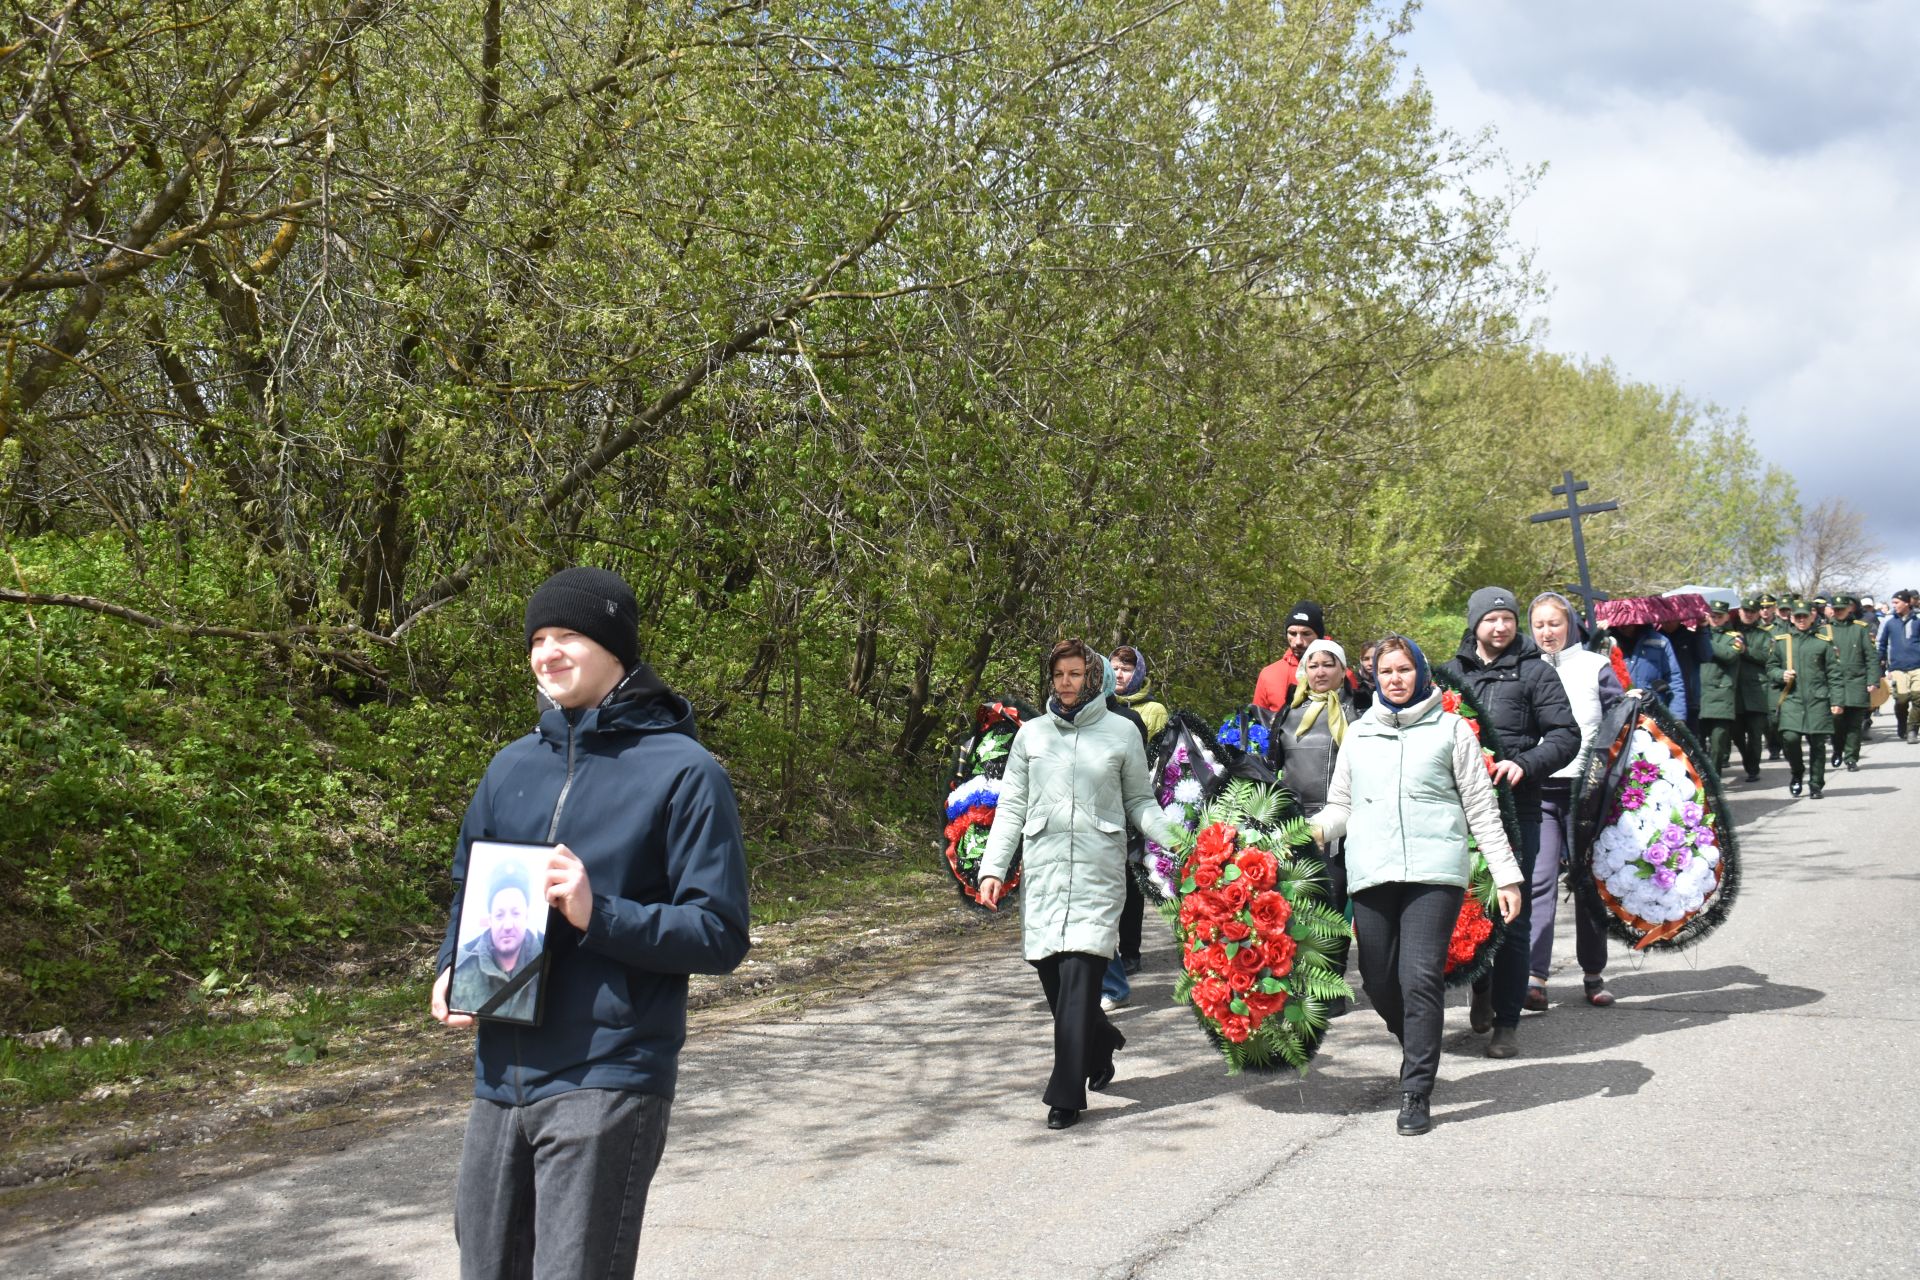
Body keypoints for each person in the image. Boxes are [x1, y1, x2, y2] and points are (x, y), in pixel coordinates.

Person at [432, 566, 752, 1278]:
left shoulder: (685, 772)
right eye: (537, 638)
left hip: (608, 1069)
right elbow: (467, 889)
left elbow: (721, 933)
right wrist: (452, 965)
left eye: (567, 634)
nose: (548, 651)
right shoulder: (511, 767)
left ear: (616, 647)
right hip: (500, 1073)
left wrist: (595, 913)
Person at [1311, 635, 1523, 1136]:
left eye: (1404, 669)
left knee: (1419, 976)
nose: (1395, 679)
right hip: (1373, 872)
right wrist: (1306, 832)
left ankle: (1415, 1090)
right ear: (1374, 678)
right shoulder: (1360, 734)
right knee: (1378, 980)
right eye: (1386, 672)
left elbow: (1481, 809)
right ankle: (1418, 1044)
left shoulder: (1452, 731)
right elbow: (1341, 805)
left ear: (1420, 671)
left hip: (1435, 874)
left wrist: (1507, 875)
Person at [977, 640, 1179, 1131]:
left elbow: (1141, 803)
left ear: (1093, 679)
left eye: (1075, 674)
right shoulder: (1032, 737)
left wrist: (1183, 841)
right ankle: (1101, 1041)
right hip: (1045, 871)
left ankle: (1065, 1093)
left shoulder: (1121, 732)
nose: (1066, 683)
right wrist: (992, 868)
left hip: (1097, 870)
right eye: (1059, 674)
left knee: (1080, 978)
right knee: (1054, 980)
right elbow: (1012, 808)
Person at [1438, 586, 1579, 1059]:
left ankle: (1507, 1022)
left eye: (1508, 619)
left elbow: (1565, 735)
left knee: (1512, 914)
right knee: (1468, 908)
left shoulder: (1536, 671)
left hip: (1516, 808)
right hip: (1459, 812)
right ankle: (1482, 984)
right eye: (1491, 619)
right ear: (1474, 622)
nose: (1500, 627)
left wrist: (1527, 763)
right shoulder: (1449, 675)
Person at [1526, 593, 1623, 1011]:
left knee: (1587, 884)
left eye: (1555, 623)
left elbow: (1619, 718)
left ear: (1571, 625)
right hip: (1540, 790)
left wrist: (1631, 705)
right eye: (1540, 625)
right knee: (1539, 881)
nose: (1548, 632)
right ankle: (1534, 977)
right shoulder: (1523, 670)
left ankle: (1593, 973)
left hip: (1588, 791)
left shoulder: (1595, 666)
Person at [1275, 637, 1361, 1011]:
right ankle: (1300, 980)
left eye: (1329, 664)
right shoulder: (1287, 713)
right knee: (1294, 904)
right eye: (1314, 665)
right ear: (1303, 671)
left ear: (1343, 670)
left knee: (1333, 903)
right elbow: (1273, 765)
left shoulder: (1358, 712)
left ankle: (1332, 982)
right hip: (1296, 822)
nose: (1321, 672)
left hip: (1341, 820)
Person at [1101, 645, 1166, 1009]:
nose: (1122, 674)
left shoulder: (1149, 711)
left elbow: (1154, 755)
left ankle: (1130, 949)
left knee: (1131, 878)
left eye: (1127, 668)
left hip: (1141, 798)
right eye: (1116, 668)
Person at [449, 859, 547, 1022]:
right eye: (500, 915)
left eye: (516, 913)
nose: (508, 925)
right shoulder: (461, 969)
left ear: (526, 916)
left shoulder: (550, 962)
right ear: (490, 920)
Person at [1769, 598, 1837, 799]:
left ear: (1812, 616)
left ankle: (1816, 784)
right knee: (1789, 738)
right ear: (1791, 618)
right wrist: (1781, 675)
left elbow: (1834, 673)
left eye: (1804, 616)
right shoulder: (1782, 642)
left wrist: (1837, 701)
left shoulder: (1823, 642)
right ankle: (1797, 772)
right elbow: (1770, 667)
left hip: (1818, 699)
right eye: (1797, 616)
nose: (1801, 620)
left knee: (1817, 743)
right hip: (1792, 698)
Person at [1253, 600, 1369, 712]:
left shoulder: (1343, 675)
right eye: (1292, 633)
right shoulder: (1268, 674)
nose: (1298, 641)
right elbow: (1256, 722)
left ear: (1319, 635)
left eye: (1306, 633)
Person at [1826, 595, 1881, 772]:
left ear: (1849, 609)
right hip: (1834, 684)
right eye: (1836, 609)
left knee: (1854, 724)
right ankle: (1837, 749)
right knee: (1836, 721)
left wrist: (1873, 680)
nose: (1839, 612)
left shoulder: (1860, 629)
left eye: (1842, 608)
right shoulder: (1824, 630)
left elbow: (1871, 657)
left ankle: (1851, 758)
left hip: (1857, 682)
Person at [1696, 599, 1743, 779]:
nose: (1715, 619)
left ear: (1726, 617)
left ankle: (1715, 777)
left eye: (1719, 616)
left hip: (1721, 696)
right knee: (1698, 743)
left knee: (1718, 742)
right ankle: (1701, 779)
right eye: (1712, 615)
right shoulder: (1698, 634)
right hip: (1700, 694)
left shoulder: (1735, 637)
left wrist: (1704, 636)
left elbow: (1728, 655)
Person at [1612, 622, 1689, 720]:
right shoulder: (1606, 643)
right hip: (1617, 715)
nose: (1625, 624)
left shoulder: (1660, 641)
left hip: (1653, 715)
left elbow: (1674, 679)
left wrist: (1677, 717)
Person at [1878, 589, 1920, 742]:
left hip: (1917, 666)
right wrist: (1880, 665)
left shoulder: (1918, 622)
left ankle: (1912, 729)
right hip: (1897, 668)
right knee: (1901, 699)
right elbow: (1881, 644)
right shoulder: (1890, 623)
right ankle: (1902, 723)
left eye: (1896, 602)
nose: (1893, 605)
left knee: (1918, 698)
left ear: (1907, 603)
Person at [1760, 594, 1790, 760]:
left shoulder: (1782, 627)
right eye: (1762, 608)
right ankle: (1773, 744)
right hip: (1759, 676)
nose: (1765, 611)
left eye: (1768, 607)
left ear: (1774, 608)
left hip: (1776, 675)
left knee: (1777, 716)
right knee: (1767, 719)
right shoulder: (1753, 627)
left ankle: (1781, 745)